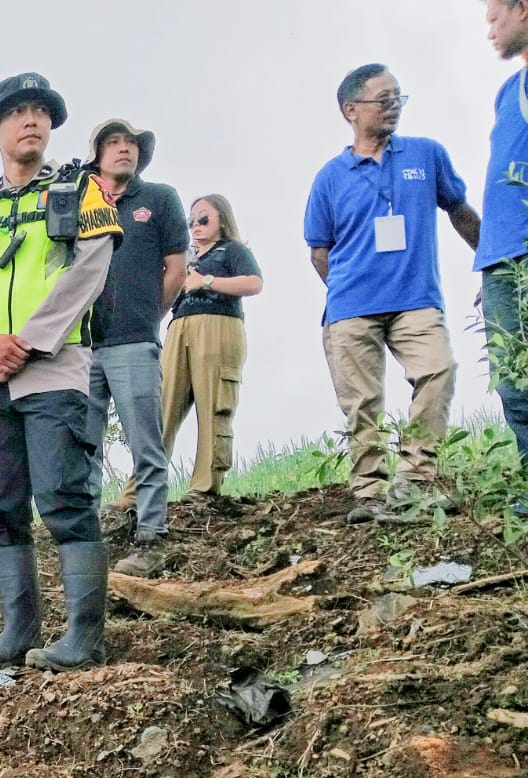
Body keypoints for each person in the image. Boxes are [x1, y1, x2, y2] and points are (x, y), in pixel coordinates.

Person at [0, 73, 122, 674]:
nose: (32, 120)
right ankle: (17, 632)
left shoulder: (80, 191)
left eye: (41, 111)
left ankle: (82, 639)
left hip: (55, 369)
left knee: (65, 498)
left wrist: (31, 340)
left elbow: (89, 270)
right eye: (17, 112)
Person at [305, 64, 481, 525]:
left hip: (416, 299)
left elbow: (460, 211)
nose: (393, 107)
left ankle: (415, 480)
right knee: (362, 404)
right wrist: (350, 290)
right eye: (382, 99)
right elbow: (318, 252)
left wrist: (492, 262)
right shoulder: (329, 177)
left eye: (398, 97)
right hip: (351, 309)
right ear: (350, 110)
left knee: (438, 370)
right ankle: (369, 492)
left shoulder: (426, 154)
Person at [84, 118, 187, 575]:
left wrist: (148, 316)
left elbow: (177, 271)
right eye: (113, 142)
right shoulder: (80, 202)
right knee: (81, 444)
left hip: (134, 340)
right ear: (97, 153)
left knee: (146, 440)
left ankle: (150, 535)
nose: (124, 149)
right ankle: (83, 538)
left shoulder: (159, 199)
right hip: (82, 345)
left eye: (131, 143)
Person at [161, 196, 263, 498]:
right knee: (162, 407)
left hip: (218, 324)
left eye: (203, 219)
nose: (196, 226)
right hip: (179, 326)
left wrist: (207, 281)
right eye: (191, 221)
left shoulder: (233, 251)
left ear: (222, 219)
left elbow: (254, 283)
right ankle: (140, 489)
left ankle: (204, 488)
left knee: (214, 405)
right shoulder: (184, 257)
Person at [478, 0, 528, 481]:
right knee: (513, 381)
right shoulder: (507, 92)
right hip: (503, 259)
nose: (489, 29)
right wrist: (495, 264)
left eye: (495, 18)